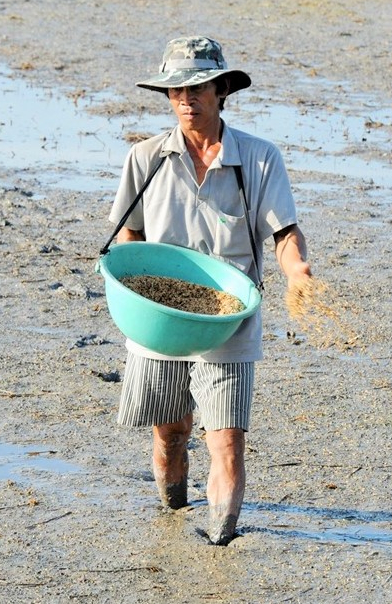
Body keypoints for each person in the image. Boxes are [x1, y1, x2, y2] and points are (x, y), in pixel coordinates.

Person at [107, 36, 311, 546]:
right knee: (170, 432)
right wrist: (132, 286)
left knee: (226, 441)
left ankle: (219, 538)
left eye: (198, 87)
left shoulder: (259, 160)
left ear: (221, 90)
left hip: (228, 317)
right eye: (176, 90)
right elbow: (128, 236)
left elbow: (284, 232)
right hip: (159, 317)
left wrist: (297, 270)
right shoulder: (146, 158)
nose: (186, 99)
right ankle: (174, 511)